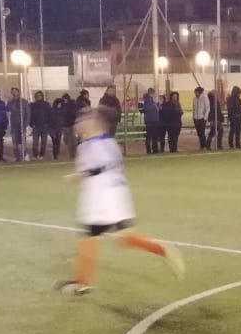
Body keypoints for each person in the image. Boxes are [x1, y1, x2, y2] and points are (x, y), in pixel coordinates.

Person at [56, 104, 183, 295]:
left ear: (97, 123)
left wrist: (78, 176)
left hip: (103, 195)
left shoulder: (98, 143)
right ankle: (161, 249)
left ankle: (82, 282)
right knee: (121, 237)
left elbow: (100, 167)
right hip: (111, 194)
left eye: (84, 119)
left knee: (91, 235)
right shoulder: (98, 142)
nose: (79, 122)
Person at [29, 90, 53, 160]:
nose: (38, 97)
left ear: (42, 96)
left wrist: (47, 123)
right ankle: (35, 155)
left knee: (44, 141)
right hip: (36, 126)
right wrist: (31, 123)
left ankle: (42, 155)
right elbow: (30, 115)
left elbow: (50, 115)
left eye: (39, 95)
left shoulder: (47, 104)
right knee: (35, 142)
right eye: (37, 96)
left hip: (44, 126)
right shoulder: (32, 105)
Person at [51, 93, 73, 160]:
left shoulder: (63, 110)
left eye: (60, 104)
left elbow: (66, 117)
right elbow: (50, 119)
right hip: (54, 128)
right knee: (55, 141)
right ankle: (55, 154)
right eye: (58, 104)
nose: (59, 105)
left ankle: (56, 154)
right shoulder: (53, 111)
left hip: (60, 128)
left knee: (58, 141)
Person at [8, 86, 26, 161]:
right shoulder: (10, 102)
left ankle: (24, 155)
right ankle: (17, 157)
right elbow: (8, 112)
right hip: (14, 126)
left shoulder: (23, 102)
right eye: (13, 92)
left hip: (22, 125)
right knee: (14, 142)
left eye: (15, 91)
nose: (14, 93)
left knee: (23, 142)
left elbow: (28, 113)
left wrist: (26, 123)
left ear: (18, 92)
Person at [142, 87, 161, 154]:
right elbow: (147, 109)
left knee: (153, 135)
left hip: (153, 120)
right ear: (152, 93)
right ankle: (151, 149)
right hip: (151, 120)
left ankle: (153, 149)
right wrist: (155, 106)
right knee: (150, 136)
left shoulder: (150, 100)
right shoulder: (148, 100)